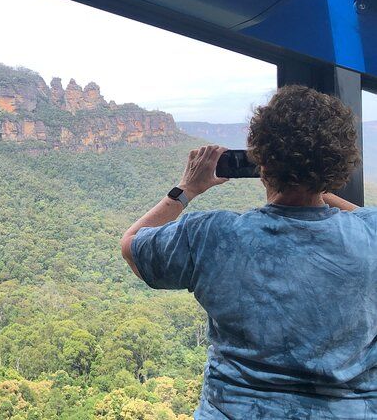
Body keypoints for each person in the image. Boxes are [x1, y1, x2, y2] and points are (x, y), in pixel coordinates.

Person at [121, 85, 376, 419]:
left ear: (261, 161)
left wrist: (187, 189)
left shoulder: (211, 235)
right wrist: (315, 184)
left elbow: (132, 244)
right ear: (340, 162)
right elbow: (359, 215)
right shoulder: (370, 233)